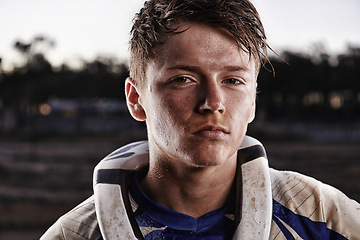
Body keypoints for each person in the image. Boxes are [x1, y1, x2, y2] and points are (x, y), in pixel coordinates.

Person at [41, 0, 360, 239]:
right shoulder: (74, 234)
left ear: (252, 101)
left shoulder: (319, 213)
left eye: (233, 80)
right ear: (136, 99)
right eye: (183, 79)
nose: (213, 103)